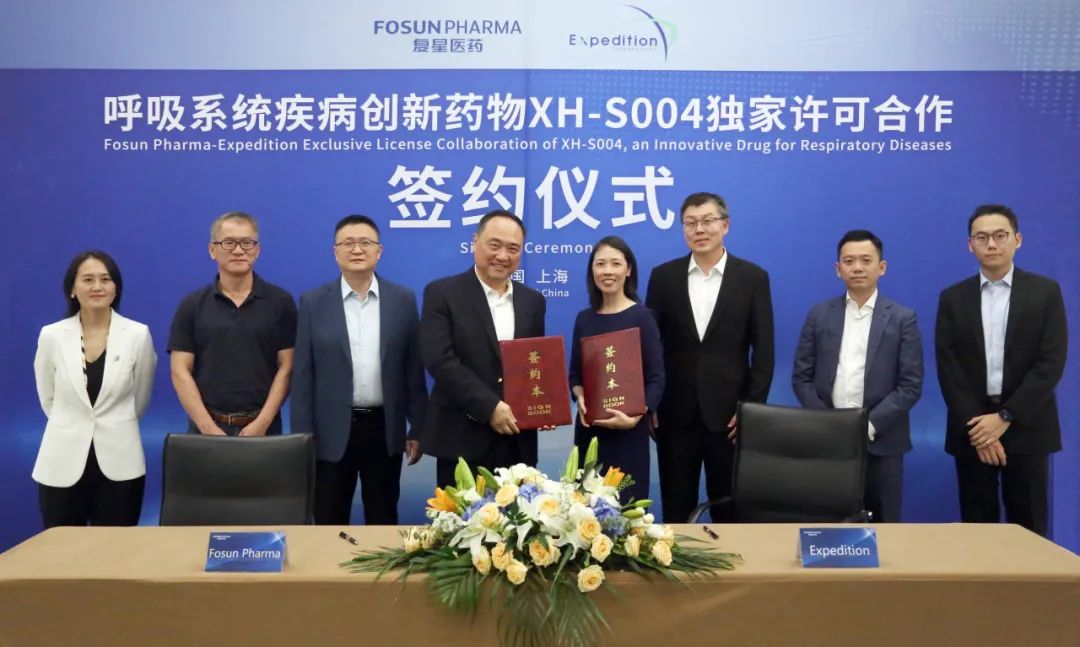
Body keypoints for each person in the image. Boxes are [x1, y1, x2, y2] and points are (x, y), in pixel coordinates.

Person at [936, 204, 1067, 537]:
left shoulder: (1045, 293)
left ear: (1017, 240)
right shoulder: (952, 298)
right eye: (982, 237)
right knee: (978, 531)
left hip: (1027, 426)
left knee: (1031, 531)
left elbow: (1050, 363)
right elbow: (949, 369)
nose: (991, 244)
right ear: (970, 245)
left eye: (1000, 235)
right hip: (973, 430)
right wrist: (981, 430)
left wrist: (1006, 417)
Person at [645, 192, 774, 524]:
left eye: (707, 221)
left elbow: (764, 351)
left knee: (730, 511)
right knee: (676, 510)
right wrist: (650, 402)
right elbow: (650, 346)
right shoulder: (663, 277)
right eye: (690, 223)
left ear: (725, 225)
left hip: (730, 419)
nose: (699, 229)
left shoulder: (752, 278)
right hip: (674, 414)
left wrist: (750, 409)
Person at [291, 215, 427, 525]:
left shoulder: (402, 300)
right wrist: (303, 438)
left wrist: (417, 427)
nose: (356, 249)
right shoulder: (313, 302)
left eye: (365, 242)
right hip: (330, 431)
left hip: (383, 428)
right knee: (328, 517)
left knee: (383, 516)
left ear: (379, 251)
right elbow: (303, 376)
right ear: (335, 252)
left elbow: (412, 370)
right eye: (348, 243)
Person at [791, 230, 923, 522]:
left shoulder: (902, 318)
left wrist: (867, 426)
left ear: (882, 267)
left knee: (884, 528)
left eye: (866, 260)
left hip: (882, 442)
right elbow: (801, 377)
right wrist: (830, 424)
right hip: (828, 441)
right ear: (838, 269)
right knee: (828, 526)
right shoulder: (819, 314)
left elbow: (910, 386)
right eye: (849, 261)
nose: (857, 267)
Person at [420, 210, 546, 488]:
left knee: (520, 516)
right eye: (495, 245)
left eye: (513, 248)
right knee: (460, 516)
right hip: (461, 439)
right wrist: (489, 407)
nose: (503, 255)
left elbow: (532, 363)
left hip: (517, 441)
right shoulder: (442, 293)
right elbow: (440, 360)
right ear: (475, 242)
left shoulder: (533, 301)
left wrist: (544, 408)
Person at [32, 251, 156, 528]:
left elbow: (141, 397)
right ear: (72, 289)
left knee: (115, 549)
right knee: (62, 548)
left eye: (105, 279)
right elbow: (48, 398)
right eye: (88, 279)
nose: (97, 287)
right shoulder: (52, 336)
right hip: (61, 461)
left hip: (120, 462)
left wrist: (116, 421)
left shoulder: (138, 335)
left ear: (116, 288)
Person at [168, 211, 297, 436]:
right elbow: (180, 371)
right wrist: (208, 428)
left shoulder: (281, 303)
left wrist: (262, 423)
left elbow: (287, 367)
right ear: (212, 250)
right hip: (205, 429)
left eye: (247, 243)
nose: (238, 250)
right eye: (228, 243)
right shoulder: (192, 305)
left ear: (257, 250)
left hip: (264, 428)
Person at [569, 236, 664, 503]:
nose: (607, 271)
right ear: (592, 270)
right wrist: (580, 396)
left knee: (626, 511)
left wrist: (637, 415)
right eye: (600, 264)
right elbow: (574, 374)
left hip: (629, 433)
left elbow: (657, 378)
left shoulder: (642, 317)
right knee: (584, 512)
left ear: (628, 269)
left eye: (615, 263)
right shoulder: (584, 319)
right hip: (590, 432)